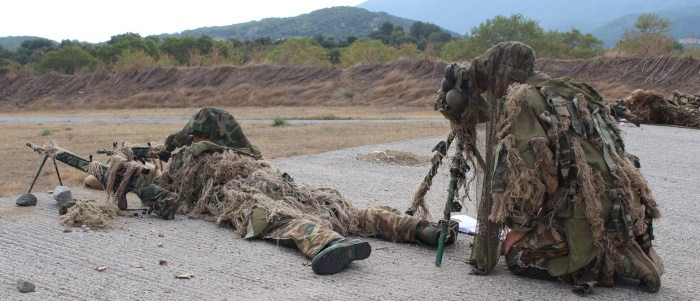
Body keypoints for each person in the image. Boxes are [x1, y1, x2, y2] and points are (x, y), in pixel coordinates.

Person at [433, 41, 662, 294]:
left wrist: (520, 228)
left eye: (492, 78)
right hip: (625, 203)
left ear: (502, 75)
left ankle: (615, 260)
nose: (490, 86)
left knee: (518, 256)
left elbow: (529, 173)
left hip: (595, 209)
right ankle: (640, 245)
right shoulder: (560, 90)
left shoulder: (522, 100)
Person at [129, 107, 457, 275]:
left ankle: (330, 244)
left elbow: (169, 196)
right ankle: (421, 229)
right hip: (285, 187)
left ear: (198, 134)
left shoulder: (192, 157)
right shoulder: (245, 154)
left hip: (243, 197)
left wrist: (134, 180)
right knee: (342, 210)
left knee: (277, 220)